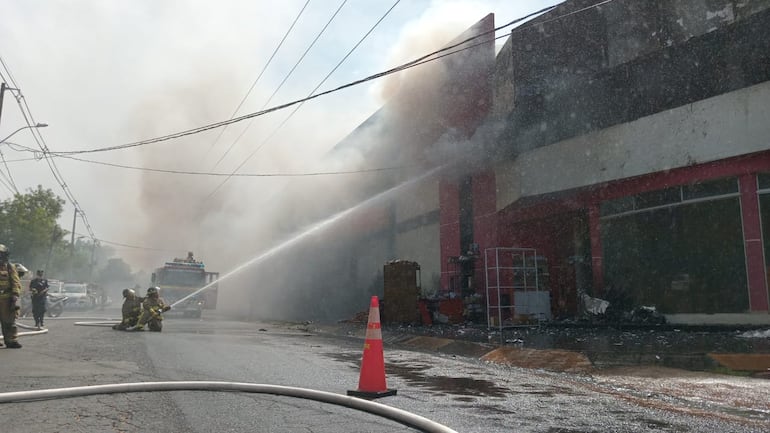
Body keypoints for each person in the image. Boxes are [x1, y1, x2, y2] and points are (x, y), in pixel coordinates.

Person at [0, 244, 22, 348]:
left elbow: (15, 281)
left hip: (6, 299)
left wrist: (15, 294)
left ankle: (11, 341)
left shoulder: (10, 267)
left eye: (1, 254)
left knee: (9, 321)